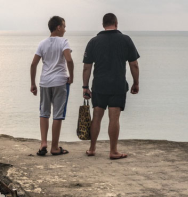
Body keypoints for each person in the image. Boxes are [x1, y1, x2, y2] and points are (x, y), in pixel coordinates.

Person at [82, 13, 139, 160]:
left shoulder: (94, 41)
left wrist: (85, 86)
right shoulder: (126, 40)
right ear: (116, 23)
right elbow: (134, 64)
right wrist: (136, 83)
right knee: (114, 118)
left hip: (99, 85)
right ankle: (113, 151)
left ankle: (92, 148)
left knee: (97, 116)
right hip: (117, 85)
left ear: (103, 24)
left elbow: (87, 67)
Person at [30, 16, 74, 156]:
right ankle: (54, 147)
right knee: (58, 114)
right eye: (64, 26)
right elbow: (69, 60)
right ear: (58, 27)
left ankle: (43, 143)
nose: (65, 30)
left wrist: (33, 83)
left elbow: (33, 64)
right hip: (60, 81)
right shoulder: (63, 42)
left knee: (44, 112)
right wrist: (71, 76)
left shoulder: (42, 43)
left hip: (45, 82)